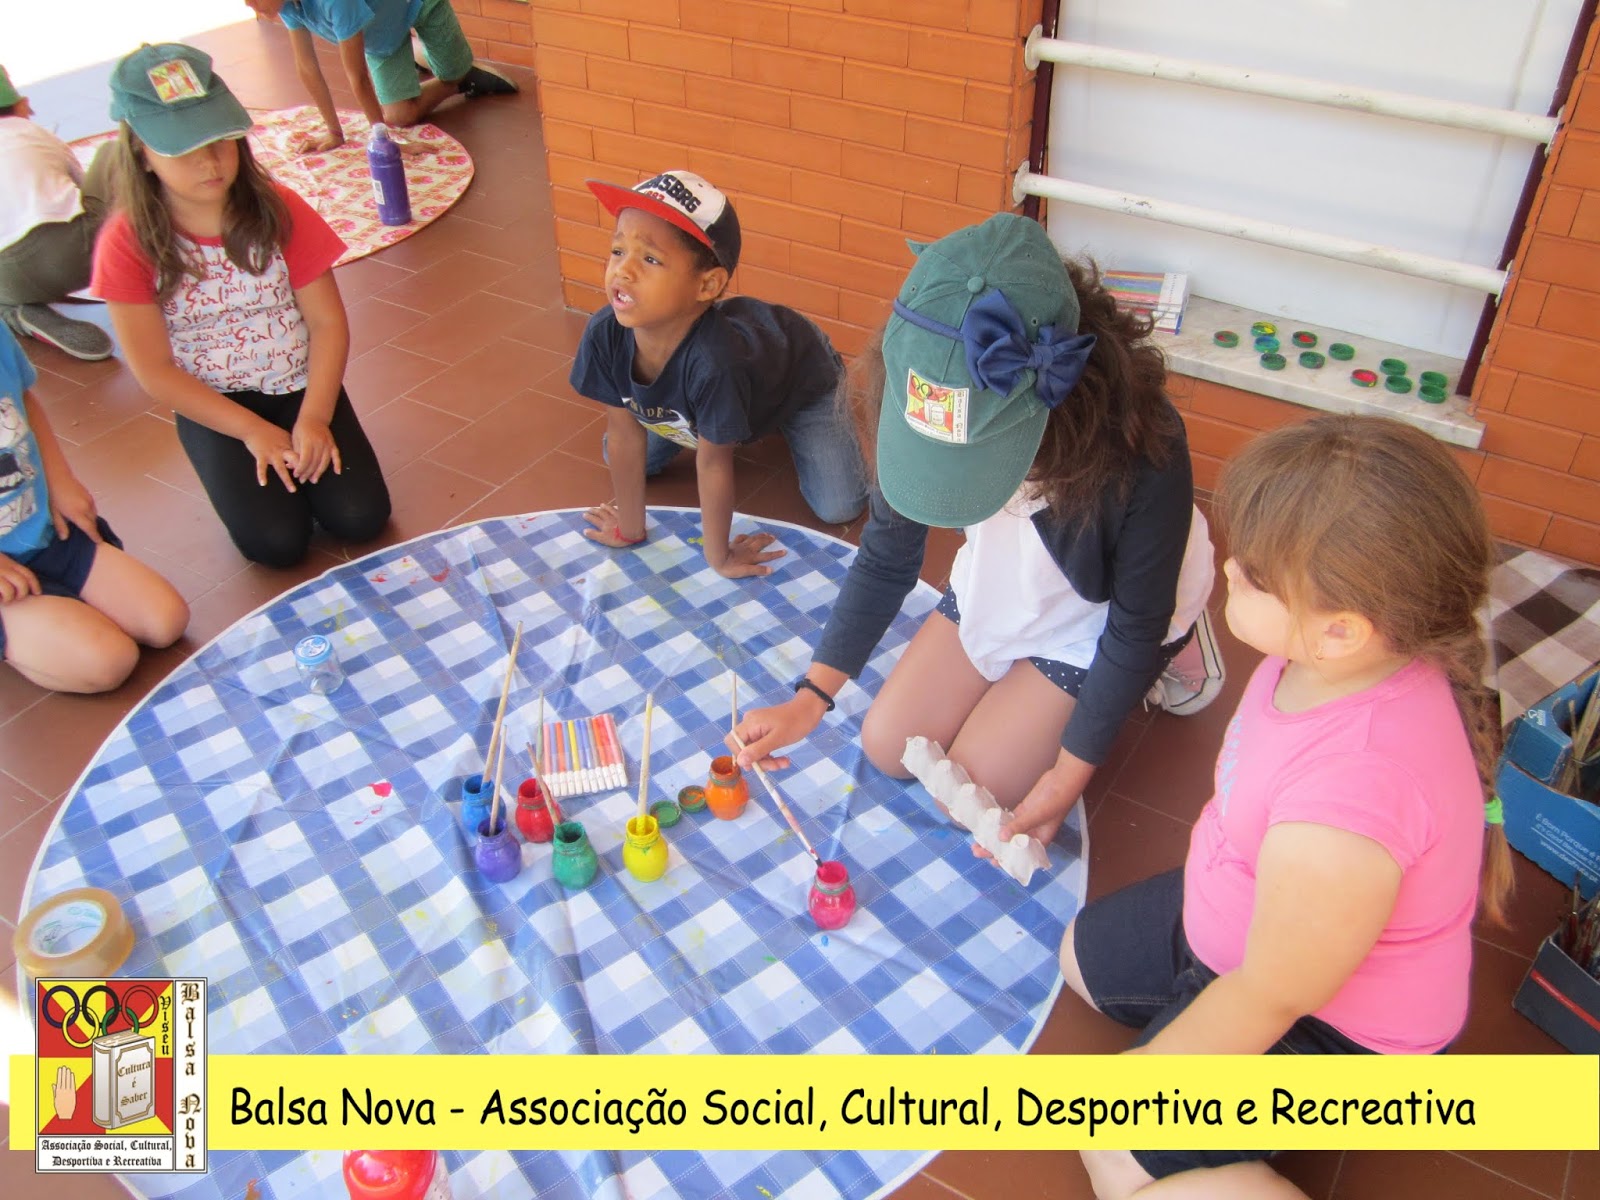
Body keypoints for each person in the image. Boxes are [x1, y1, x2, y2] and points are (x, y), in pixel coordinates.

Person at [1062, 414, 1510, 1199]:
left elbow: (1277, 993)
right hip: (1254, 928)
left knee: (1114, 1152)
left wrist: (1148, 1079)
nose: (1229, 567)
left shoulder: (1352, 799)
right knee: (1079, 960)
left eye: (1256, 574)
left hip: (1335, 1028)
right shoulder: (1330, 656)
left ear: (1341, 629)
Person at [733, 212, 1221, 853]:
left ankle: (1182, 646)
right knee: (886, 745)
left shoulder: (1142, 444)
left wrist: (1067, 777)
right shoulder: (920, 387)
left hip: (1101, 612)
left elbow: (1134, 625)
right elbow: (887, 554)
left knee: (969, 789)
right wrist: (810, 697)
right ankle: (1023, 685)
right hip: (1007, 577)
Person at [92, 42, 391, 568]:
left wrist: (315, 416)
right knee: (276, 543)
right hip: (216, 405)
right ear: (140, 150)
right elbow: (155, 370)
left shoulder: (279, 208)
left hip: (300, 387)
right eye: (184, 149)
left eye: (220, 140)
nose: (209, 162)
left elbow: (326, 322)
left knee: (361, 516)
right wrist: (251, 430)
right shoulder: (127, 241)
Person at [571, 169, 869, 578]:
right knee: (619, 454)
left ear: (708, 286)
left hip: (802, 376)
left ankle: (771, 416)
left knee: (839, 507)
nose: (623, 271)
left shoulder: (716, 363)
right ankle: (726, 414)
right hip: (729, 371)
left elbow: (712, 465)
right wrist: (630, 529)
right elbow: (624, 434)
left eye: (650, 259)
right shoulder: (605, 332)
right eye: (618, 250)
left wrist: (721, 558)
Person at [0, 323, 189, 692]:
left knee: (165, 620)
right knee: (106, 661)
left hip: (45, 530)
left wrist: (60, 480)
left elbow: (24, 398)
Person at [244, 0, 519, 153]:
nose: (248, 3)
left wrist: (386, 142)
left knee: (453, 69)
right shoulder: (286, 5)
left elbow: (358, 77)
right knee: (400, 115)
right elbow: (307, 66)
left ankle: (458, 72)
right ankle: (441, 68)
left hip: (419, 5)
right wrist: (334, 132)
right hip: (382, 38)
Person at [0, 64, 115, 361]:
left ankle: (17, 313)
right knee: (112, 155)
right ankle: (160, 256)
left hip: (8, 279)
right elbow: (83, 187)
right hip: (81, 256)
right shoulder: (31, 131)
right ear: (23, 105)